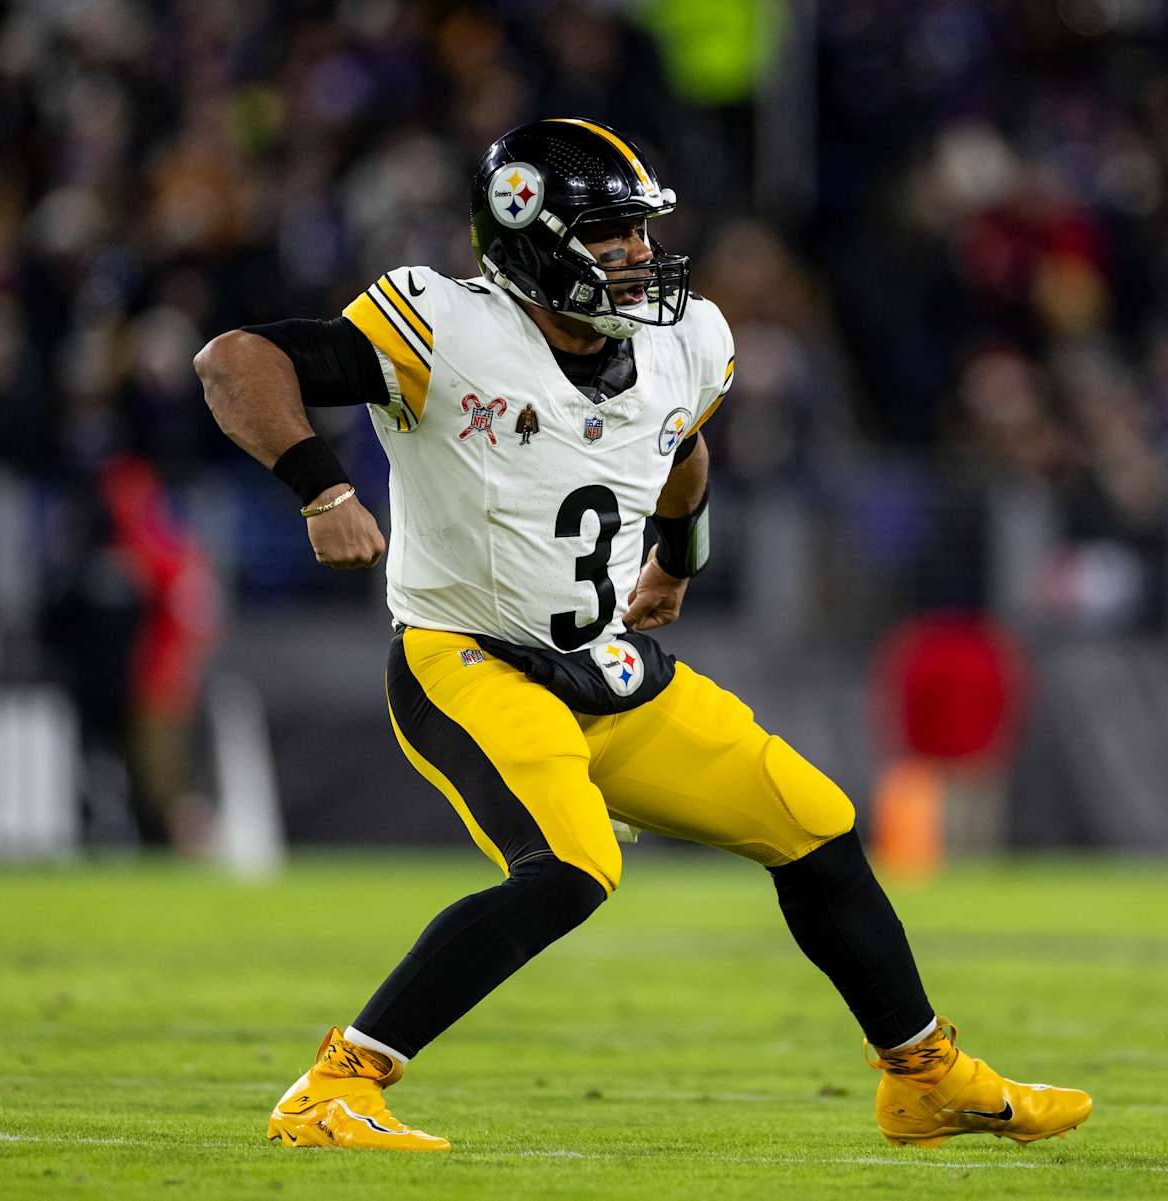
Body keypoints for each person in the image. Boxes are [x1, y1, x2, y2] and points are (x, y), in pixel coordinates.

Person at [195, 118, 1091, 1153]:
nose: (636, 253)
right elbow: (235, 361)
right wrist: (321, 490)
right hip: (470, 657)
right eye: (608, 234)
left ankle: (923, 1076)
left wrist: (677, 556)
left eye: (639, 231)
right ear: (529, 238)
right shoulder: (447, 329)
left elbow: (678, 443)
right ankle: (335, 1084)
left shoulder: (681, 340)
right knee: (570, 867)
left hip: (607, 663)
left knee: (814, 822)